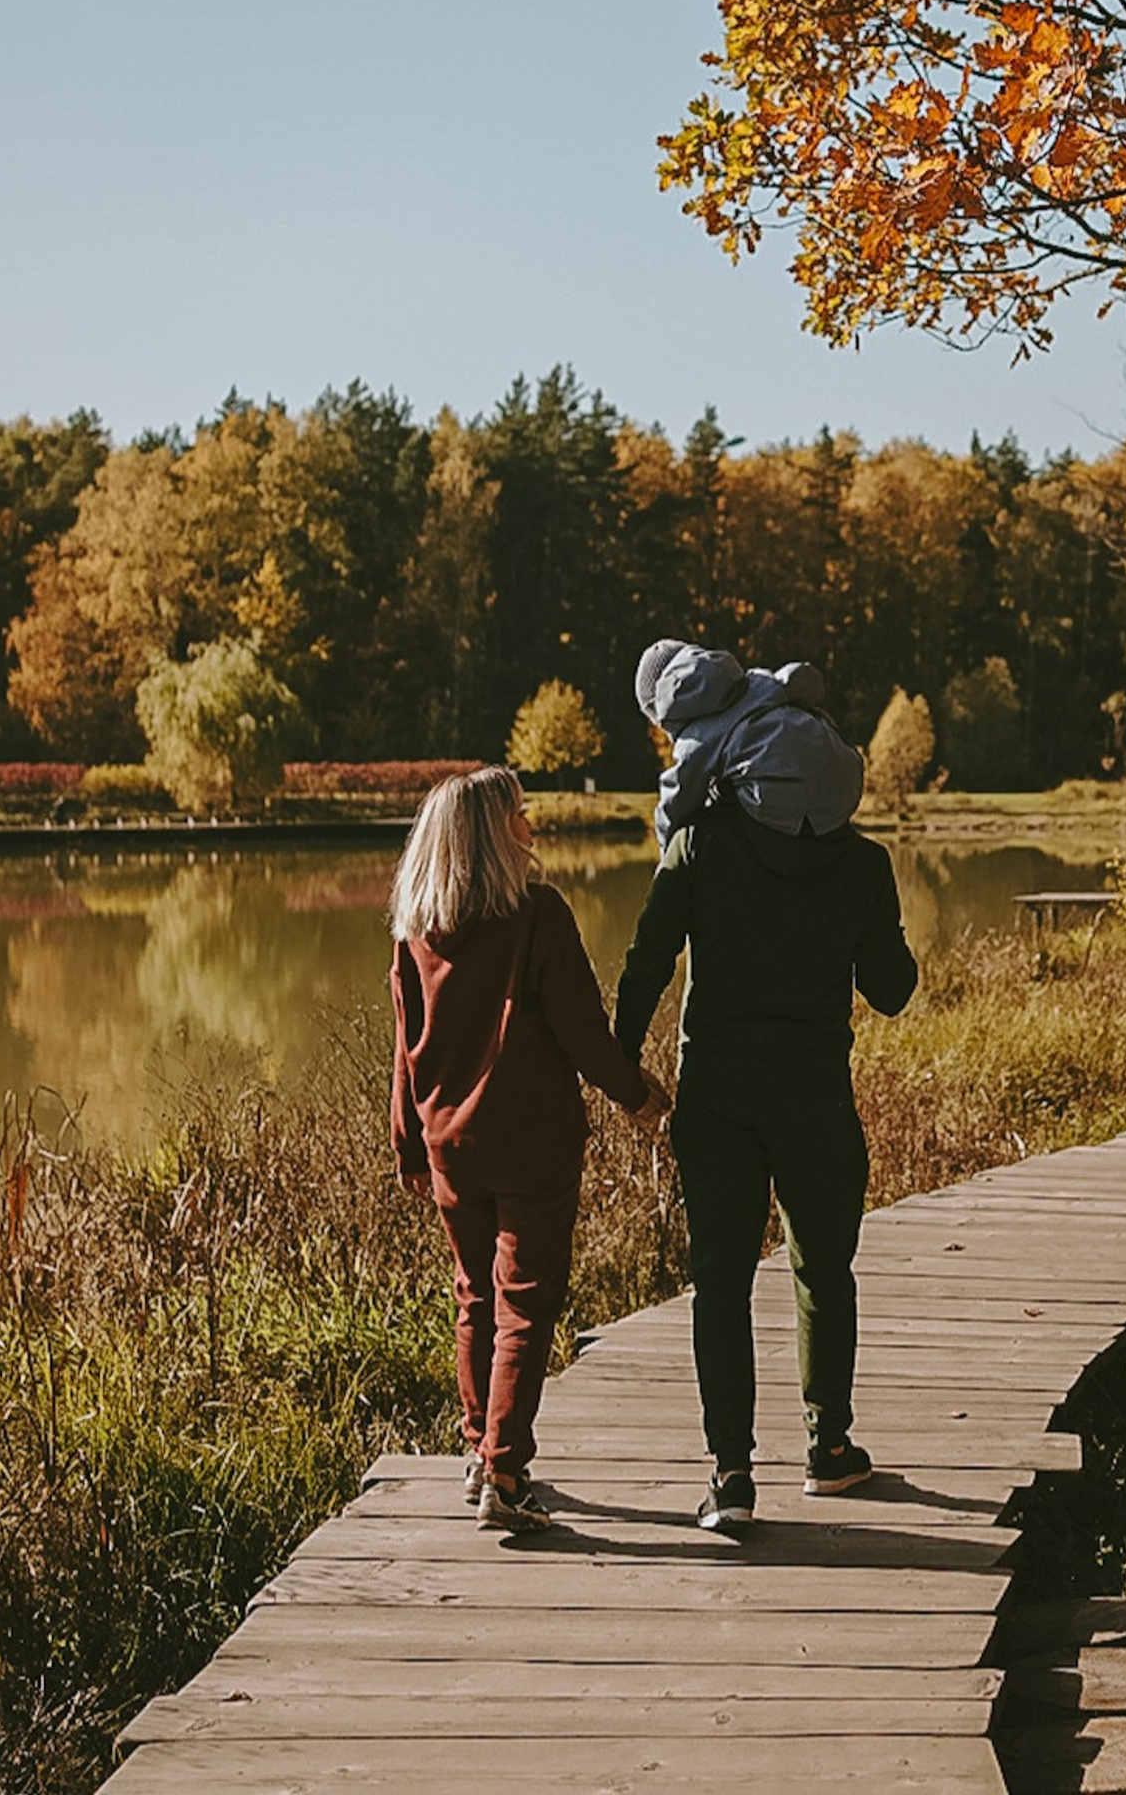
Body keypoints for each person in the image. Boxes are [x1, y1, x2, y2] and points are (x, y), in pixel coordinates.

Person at [614, 785, 917, 1532]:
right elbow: (891, 990)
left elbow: (649, 958)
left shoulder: (700, 843)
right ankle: (829, 1448)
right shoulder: (862, 863)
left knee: (721, 1283)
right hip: (815, 1099)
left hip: (716, 1101)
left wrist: (622, 1066)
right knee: (823, 1269)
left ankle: (731, 1477)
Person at [389, 765, 666, 1533]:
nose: (531, 824)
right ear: (490, 834)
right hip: (533, 1142)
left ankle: (481, 1453)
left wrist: (407, 1143)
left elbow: (404, 1049)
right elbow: (581, 1030)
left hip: (449, 1145)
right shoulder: (537, 914)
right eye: (518, 813)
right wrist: (636, 1094)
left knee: (475, 1297)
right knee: (524, 1303)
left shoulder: (415, 931)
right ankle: (506, 1476)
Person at [636, 638, 865, 853]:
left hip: (781, 799)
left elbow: (676, 803)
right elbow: (806, 680)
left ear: (661, 710)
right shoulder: (757, 681)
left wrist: (667, 852)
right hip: (847, 778)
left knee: (716, 795)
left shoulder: (695, 739)